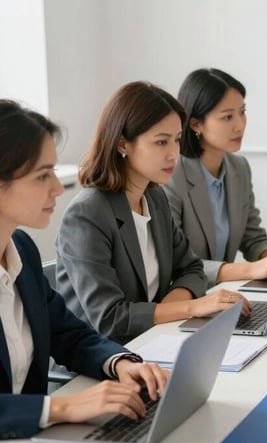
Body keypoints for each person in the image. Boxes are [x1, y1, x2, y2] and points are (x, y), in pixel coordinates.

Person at [0, 100, 169, 439]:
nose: (58, 188)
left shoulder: (23, 253)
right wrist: (62, 407)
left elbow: (68, 334)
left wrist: (121, 363)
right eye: (42, 175)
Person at [56, 82, 250, 345]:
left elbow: (191, 268)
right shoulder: (87, 213)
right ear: (123, 143)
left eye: (177, 140)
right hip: (105, 360)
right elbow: (110, 318)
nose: (174, 154)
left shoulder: (153, 197)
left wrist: (169, 313)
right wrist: (191, 308)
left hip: (153, 341)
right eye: (161, 142)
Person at [163, 68, 267, 287]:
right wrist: (252, 269)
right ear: (196, 124)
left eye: (242, 112)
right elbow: (175, 262)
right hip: (184, 296)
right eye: (227, 117)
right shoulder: (171, 176)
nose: (240, 125)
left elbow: (252, 237)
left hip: (223, 294)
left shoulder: (239, 168)